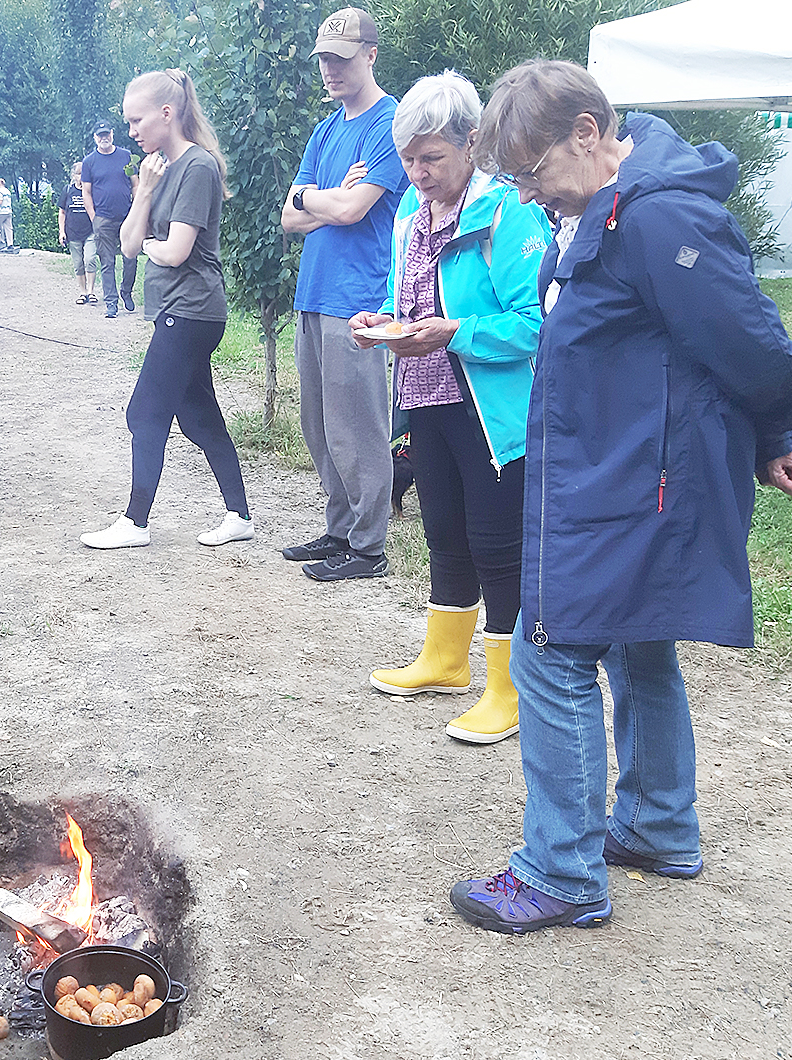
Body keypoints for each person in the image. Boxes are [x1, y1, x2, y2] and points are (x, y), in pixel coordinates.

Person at [448, 60, 792, 934]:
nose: (532, 195)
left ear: (586, 132)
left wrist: (771, 435)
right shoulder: (606, 210)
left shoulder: (659, 217)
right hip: (617, 473)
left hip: (631, 485)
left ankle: (561, 871)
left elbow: (757, 348)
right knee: (635, 649)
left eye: (533, 173)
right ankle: (654, 827)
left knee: (551, 651)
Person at [350, 71, 551, 745]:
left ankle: (509, 687)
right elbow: (404, 299)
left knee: (497, 547)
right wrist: (381, 320)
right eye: (407, 159)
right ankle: (443, 661)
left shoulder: (507, 212)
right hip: (424, 396)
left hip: (490, 413)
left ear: (471, 142)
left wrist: (456, 332)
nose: (416, 173)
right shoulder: (410, 211)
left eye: (430, 157)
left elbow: (537, 323)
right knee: (443, 533)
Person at [79, 69, 251, 551]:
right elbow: (130, 246)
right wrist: (147, 191)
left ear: (166, 113)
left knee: (144, 411)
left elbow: (175, 251)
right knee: (199, 418)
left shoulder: (198, 167)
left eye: (137, 120)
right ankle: (239, 515)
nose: (131, 131)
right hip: (177, 309)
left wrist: (153, 240)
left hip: (193, 310)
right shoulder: (158, 169)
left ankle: (135, 522)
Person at [279, 9, 410, 581]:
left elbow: (356, 211)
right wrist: (322, 199)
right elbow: (289, 215)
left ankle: (369, 545)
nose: (330, 69)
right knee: (319, 423)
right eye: (325, 59)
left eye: (342, 58)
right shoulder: (326, 128)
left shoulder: (392, 122)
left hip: (358, 297)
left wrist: (316, 199)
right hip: (314, 292)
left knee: (357, 424)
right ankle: (339, 529)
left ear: (371, 54)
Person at [81, 119, 139, 318]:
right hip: (103, 219)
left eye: (107, 134)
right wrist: (94, 217)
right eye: (100, 135)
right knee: (107, 262)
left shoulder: (126, 156)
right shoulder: (89, 162)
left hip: (127, 217)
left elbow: (135, 185)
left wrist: (137, 210)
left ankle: (126, 291)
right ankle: (111, 303)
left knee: (130, 258)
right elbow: (86, 192)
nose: (104, 138)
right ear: (95, 138)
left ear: (112, 134)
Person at [59, 162, 97, 304]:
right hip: (72, 232)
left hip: (90, 232)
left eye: (83, 173)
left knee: (90, 259)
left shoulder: (92, 190)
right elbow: (62, 212)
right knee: (78, 264)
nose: (81, 176)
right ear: (73, 175)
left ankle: (91, 292)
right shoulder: (68, 190)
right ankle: (82, 292)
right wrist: (61, 231)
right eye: (78, 173)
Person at [0, 177, 14, 248]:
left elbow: (0, 201)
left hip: (2, 212)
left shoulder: (0, 191)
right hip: (9, 211)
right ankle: (10, 244)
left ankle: (0, 241)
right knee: (9, 228)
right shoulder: (8, 191)